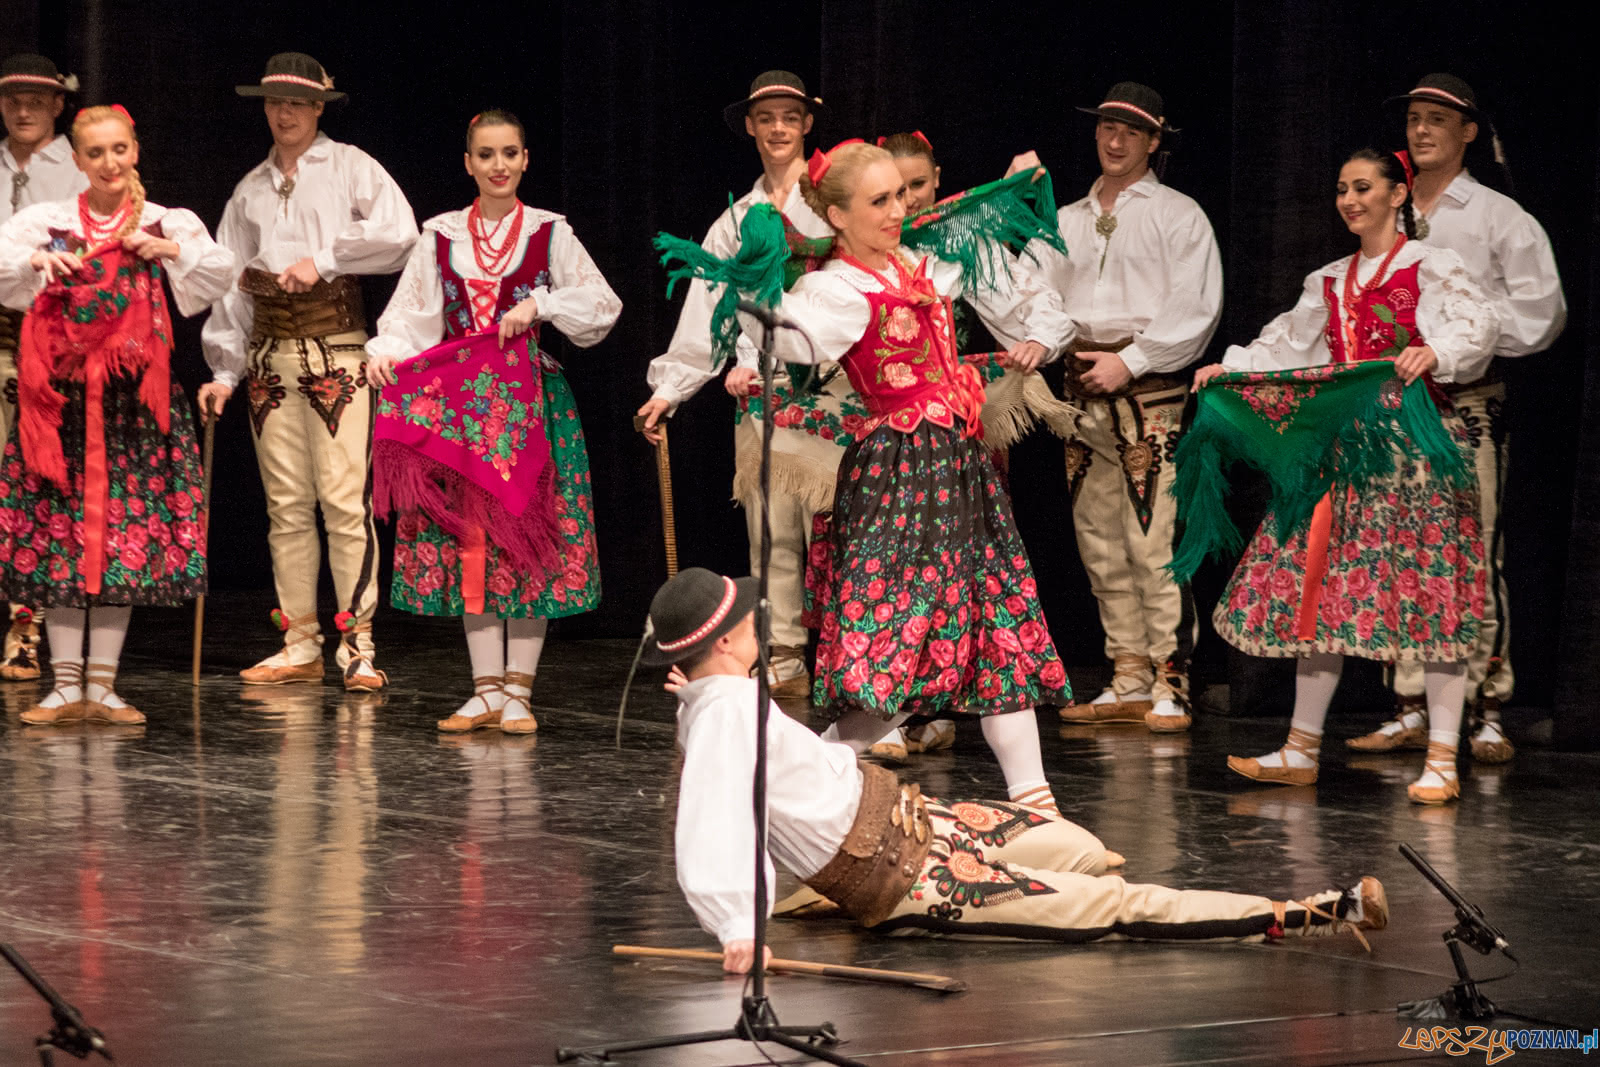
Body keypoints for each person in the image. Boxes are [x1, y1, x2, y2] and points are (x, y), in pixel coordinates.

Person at [647, 568, 1388, 972]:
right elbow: (711, 824)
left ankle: (818, 897)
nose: (757, 621)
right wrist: (737, 926)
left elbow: (774, 766)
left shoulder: (726, 698)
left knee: (1083, 848)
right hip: (907, 873)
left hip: (917, 819)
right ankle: (1304, 913)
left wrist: (698, 703)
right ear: (723, 643)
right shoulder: (721, 717)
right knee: (1110, 904)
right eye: (744, 619)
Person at [683, 140, 1078, 814]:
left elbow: (1023, 295)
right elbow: (791, 340)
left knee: (996, 625)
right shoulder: (835, 289)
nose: (900, 209)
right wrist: (755, 360)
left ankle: (1039, 809)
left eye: (901, 193)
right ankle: (794, 786)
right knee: (895, 652)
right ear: (836, 215)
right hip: (898, 481)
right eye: (880, 200)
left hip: (960, 469)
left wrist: (1037, 319)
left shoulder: (930, 263)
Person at [1195, 149, 1499, 804]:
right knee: (1319, 592)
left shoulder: (1431, 267)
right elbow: (1288, 343)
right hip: (1349, 456)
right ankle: (1301, 746)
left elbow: (1480, 323)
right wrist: (1235, 366)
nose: (1350, 200)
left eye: (1363, 188)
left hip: (1417, 453)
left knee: (1430, 596)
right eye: (1341, 190)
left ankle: (1442, 755)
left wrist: (1438, 348)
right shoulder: (1330, 280)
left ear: (1398, 194)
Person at [365, 110, 620, 733]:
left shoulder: (550, 234)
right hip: (461, 412)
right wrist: (386, 353)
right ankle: (484, 689)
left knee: (527, 538)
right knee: (470, 541)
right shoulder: (442, 236)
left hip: (532, 407)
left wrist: (542, 302)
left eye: (510, 153)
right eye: (486, 155)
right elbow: (411, 316)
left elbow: (601, 304)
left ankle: (519, 692)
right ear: (468, 163)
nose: (499, 165)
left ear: (526, 159)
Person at [1351, 74, 1566, 767]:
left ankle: (1487, 703)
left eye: (1437, 118)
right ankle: (1408, 700)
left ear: (1469, 130)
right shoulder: (1393, 207)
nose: (1421, 130)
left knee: (1472, 548)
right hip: (1395, 404)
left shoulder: (1497, 216)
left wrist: (1459, 337)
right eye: (1414, 118)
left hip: (1465, 401)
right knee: (1401, 551)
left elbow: (1542, 311)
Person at [0, 104, 235, 725]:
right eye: (96, 153)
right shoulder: (48, 222)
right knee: (62, 538)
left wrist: (168, 248)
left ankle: (101, 685)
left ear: (136, 150)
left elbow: (217, 276)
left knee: (121, 538)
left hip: (132, 401)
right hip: (65, 404)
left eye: (119, 150)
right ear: (76, 160)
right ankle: (63, 684)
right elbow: (2, 267)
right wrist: (34, 264)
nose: (109, 163)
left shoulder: (163, 219)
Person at [202, 52, 418, 692]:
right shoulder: (250, 189)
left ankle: (358, 642)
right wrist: (223, 367)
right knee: (286, 506)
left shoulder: (350, 167)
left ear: (319, 107)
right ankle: (299, 642)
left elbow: (399, 235)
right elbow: (229, 286)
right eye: (274, 101)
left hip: (337, 352)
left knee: (343, 502)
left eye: (296, 101)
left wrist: (323, 260)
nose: (284, 112)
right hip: (270, 359)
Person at [1023, 83, 1222, 733]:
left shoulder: (1176, 214)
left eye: (1130, 132)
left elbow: (1195, 309)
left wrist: (1131, 359)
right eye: (1108, 126)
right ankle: (1129, 669)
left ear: (1154, 141)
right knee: (1100, 538)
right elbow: (1035, 292)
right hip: (1081, 387)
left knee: (1151, 533)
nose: (1114, 140)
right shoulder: (1068, 219)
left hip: (1146, 390)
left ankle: (1171, 675)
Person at [634, 70, 835, 701]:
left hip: (831, 390)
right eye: (766, 117)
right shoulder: (737, 217)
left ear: (807, 125)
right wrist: (670, 389)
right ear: (750, 126)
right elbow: (707, 314)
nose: (778, 128)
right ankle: (782, 654)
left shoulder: (832, 201)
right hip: (762, 394)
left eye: (790, 117)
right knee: (769, 535)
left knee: (835, 536)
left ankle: (845, 656)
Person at [0, 53, 87, 681]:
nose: (23, 109)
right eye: (12, 98)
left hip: (56, 342)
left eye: (37, 98)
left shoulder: (80, 167)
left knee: (41, 489)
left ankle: (26, 628)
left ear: (59, 104)